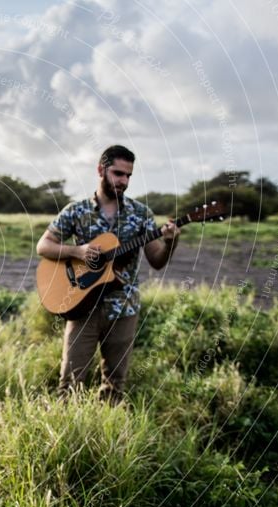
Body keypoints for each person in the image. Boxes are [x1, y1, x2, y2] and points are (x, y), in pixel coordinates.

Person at [36, 145, 180, 404]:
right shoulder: (75, 211)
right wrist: (78, 251)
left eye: (128, 176)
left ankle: (107, 434)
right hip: (81, 304)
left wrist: (170, 242)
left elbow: (157, 261)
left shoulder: (141, 214)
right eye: (118, 173)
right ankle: (66, 434)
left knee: (115, 384)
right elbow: (43, 246)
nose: (123, 181)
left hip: (124, 308)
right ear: (100, 169)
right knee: (70, 382)